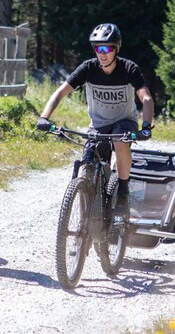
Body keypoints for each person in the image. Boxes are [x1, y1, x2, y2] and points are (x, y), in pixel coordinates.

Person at [36, 23, 154, 215]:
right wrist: (44, 117)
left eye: (107, 48)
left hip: (124, 121)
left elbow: (146, 98)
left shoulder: (129, 69)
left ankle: (123, 190)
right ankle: (89, 209)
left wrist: (146, 126)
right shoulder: (88, 68)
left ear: (116, 49)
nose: (102, 53)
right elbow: (59, 93)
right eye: (98, 48)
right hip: (99, 125)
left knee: (119, 140)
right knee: (89, 160)